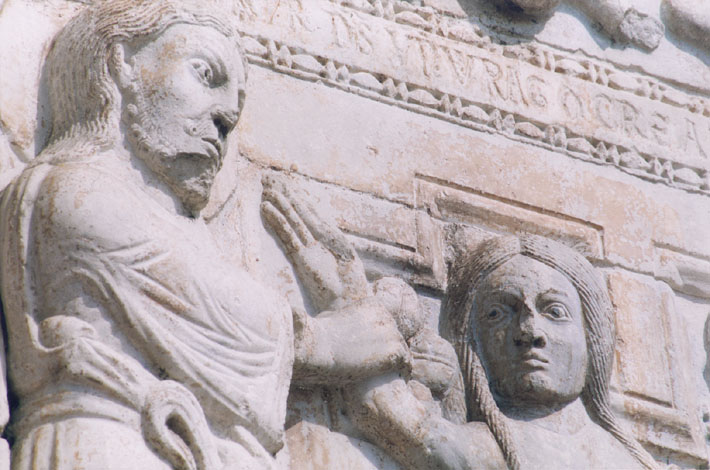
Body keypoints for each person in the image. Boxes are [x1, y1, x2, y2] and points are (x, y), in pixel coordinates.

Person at [0, 1, 408, 468]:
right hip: (112, 446)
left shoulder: (158, 215)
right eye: (206, 74)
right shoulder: (74, 188)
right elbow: (221, 315)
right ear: (121, 63)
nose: (227, 115)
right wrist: (333, 340)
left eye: (235, 102)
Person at [346, 234, 659, 470]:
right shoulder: (485, 446)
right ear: (469, 341)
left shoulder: (631, 461)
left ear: (593, 338)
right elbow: (393, 419)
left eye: (555, 312)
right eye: (498, 314)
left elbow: (383, 408)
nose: (530, 332)